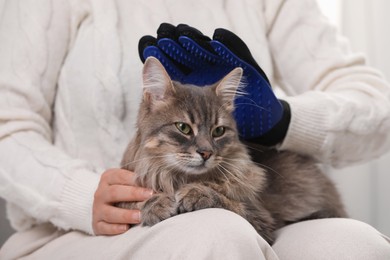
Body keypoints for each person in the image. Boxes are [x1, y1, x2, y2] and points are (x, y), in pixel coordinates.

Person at [0, 0, 390, 259]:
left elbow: (379, 111)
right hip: (82, 231)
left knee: (355, 246)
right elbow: (7, 126)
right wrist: (81, 196)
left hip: (242, 210)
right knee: (215, 234)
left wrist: (283, 119)